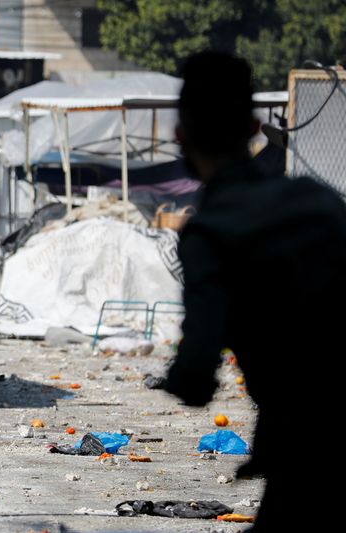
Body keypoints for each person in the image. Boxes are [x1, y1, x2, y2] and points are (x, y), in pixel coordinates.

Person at [164, 51, 346, 532]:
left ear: (181, 137)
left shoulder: (210, 232)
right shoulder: (319, 200)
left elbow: (197, 370)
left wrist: (181, 379)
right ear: (252, 127)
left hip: (309, 440)